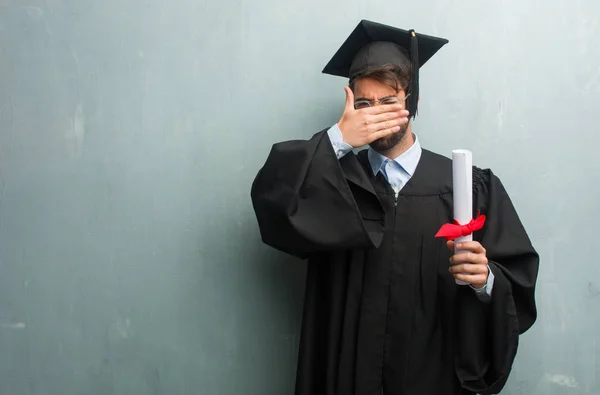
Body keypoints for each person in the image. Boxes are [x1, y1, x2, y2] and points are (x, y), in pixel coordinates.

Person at [250, 20, 539, 395]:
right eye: (365, 104)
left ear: (411, 100)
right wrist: (337, 139)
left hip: (432, 375)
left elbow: (516, 285)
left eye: (389, 101)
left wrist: (486, 281)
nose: (377, 115)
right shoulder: (331, 181)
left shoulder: (469, 185)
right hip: (347, 375)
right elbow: (274, 202)